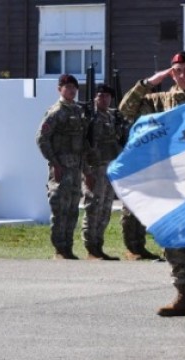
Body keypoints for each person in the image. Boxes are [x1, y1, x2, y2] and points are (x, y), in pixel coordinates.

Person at [119, 51, 185, 318]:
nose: (182, 75)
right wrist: (150, 81)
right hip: (168, 181)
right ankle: (181, 294)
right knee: (172, 239)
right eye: (177, 71)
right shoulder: (161, 101)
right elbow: (126, 109)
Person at [36, 74, 88, 260]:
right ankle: (59, 249)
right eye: (67, 87)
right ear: (60, 89)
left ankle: (68, 248)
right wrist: (54, 163)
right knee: (60, 208)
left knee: (73, 208)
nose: (72, 90)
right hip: (61, 167)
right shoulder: (56, 111)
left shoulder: (78, 111)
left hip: (75, 169)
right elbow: (41, 138)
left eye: (74, 87)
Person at [80, 84, 121, 261]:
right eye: (100, 96)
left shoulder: (113, 116)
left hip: (110, 168)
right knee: (93, 207)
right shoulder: (88, 116)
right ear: (95, 98)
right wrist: (87, 171)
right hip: (95, 168)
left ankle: (99, 246)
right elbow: (82, 144)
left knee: (105, 209)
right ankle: (91, 248)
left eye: (107, 96)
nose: (104, 99)